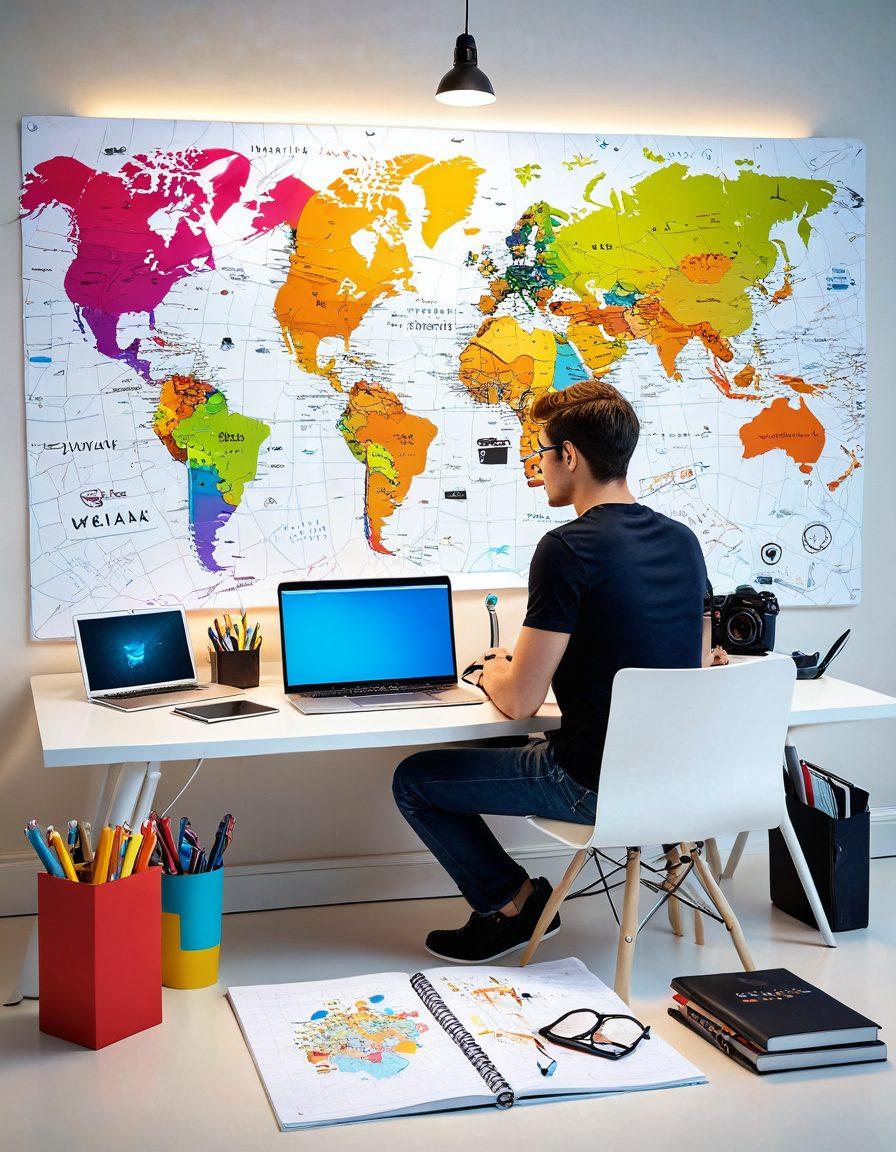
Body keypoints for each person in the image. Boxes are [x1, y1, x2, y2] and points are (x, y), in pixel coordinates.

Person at [392, 379, 708, 963]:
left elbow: (519, 703)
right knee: (497, 747)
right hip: (679, 780)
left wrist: (493, 669)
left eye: (539, 452)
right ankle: (517, 900)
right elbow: (700, 657)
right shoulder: (683, 540)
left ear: (569, 455)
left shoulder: (567, 548)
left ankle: (514, 906)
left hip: (593, 784)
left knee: (413, 779)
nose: (535, 466)